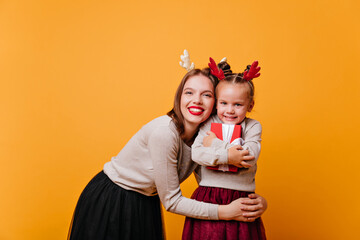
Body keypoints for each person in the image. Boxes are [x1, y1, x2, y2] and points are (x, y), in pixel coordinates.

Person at [68, 54, 267, 240]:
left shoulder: (204, 135)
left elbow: (212, 181)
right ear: (179, 96)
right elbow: (172, 201)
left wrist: (254, 203)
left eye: (206, 94)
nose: (196, 100)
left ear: (216, 103)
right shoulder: (164, 133)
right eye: (189, 92)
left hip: (146, 200)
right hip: (113, 199)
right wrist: (224, 212)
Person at [182, 58, 266, 240]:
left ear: (249, 106)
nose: (230, 110)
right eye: (224, 103)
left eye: (238, 105)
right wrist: (231, 154)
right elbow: (197, 154)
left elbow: (249, 156)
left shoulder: (253, 126)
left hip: (242, 199)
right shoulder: (209, 123)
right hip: (208, 196)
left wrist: (216, 145)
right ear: (216, 103)